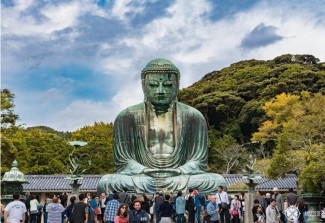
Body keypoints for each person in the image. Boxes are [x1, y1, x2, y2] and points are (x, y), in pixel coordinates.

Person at [97, 58, 226, 195]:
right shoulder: (127, 116)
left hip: (179, 176)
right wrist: (144, 170)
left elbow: (198, 161)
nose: (160, 90)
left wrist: (180, 170)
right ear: (143, 86)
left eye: (168, 85)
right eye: (153, 85)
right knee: (107, 182)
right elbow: (124, 161)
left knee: (217, 182)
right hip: (143, 177)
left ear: (177, 85)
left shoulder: (193, 116)